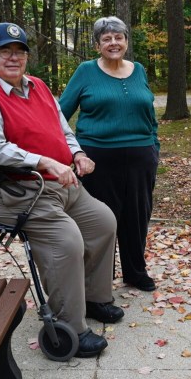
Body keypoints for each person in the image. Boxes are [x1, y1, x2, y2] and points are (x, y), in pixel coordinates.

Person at [0, 22, 124, 358]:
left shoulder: (38, 87)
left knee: (103, 222)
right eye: (5, 51)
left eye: (19, 51)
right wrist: (45, 162)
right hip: (5, 190)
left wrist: (76, 153)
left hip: (55, 184)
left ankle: (92, 298)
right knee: (65, 240)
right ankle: (68, 327)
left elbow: (62, 129)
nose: (13, 57)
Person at [59, 16, 160, 292]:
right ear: (97, 45)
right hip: (97, 161)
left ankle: (135, 272)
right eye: (107, 39)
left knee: (137, 217)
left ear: (126, 41)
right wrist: (72, 152)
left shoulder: (139, 70)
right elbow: (58, 116)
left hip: (141, 159)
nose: (113, 43)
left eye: (119, 37)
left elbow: (149, 116)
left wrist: (154, 149)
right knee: (101, 222)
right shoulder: (85, 71)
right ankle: (99, 282)